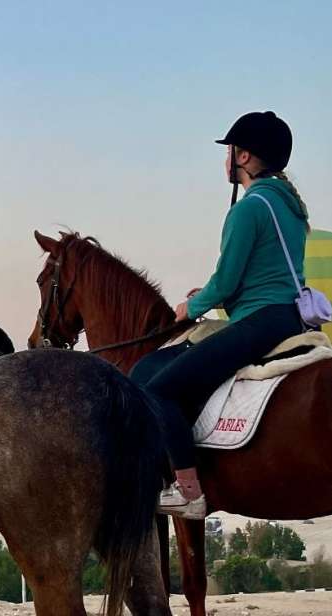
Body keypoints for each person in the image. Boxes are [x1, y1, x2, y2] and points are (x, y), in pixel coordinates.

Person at [131, 111, 310, 519]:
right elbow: (261, 274)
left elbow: (226, 282)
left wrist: (189, 307)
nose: (226, 160)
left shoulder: (248, 209)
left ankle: (188, 490)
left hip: (259, 321)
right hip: (286, 317)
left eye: (230, 151)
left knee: (158, 389)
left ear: (244, 157)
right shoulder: (291, 209)